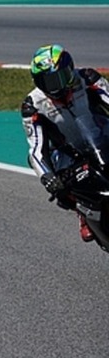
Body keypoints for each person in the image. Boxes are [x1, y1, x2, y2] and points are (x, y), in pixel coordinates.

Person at [21, 44, 109, 242]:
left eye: (61, 77)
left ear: (70, 69)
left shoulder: (88, 78)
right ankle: (82, 210)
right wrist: (48, 178)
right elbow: (36, 149)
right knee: (57, 183)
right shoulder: (32, 106)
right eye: (49, 81)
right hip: (68, 153)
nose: (57, 87)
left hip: (101, 137)